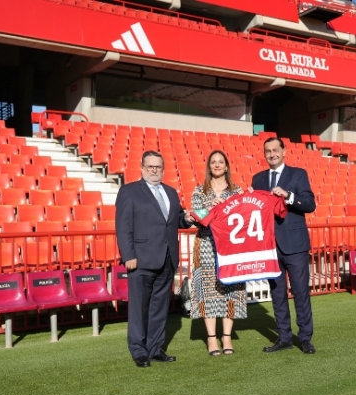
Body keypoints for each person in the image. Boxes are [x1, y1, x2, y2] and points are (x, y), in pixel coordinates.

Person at [115, 150, 194, 368]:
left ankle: (155, 348)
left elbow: (174, 220)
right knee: (139, 308)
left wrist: (185, 219)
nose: (154, 170)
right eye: (150, 166)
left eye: (158, 167)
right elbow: (123, 226)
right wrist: (128, 255)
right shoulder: (129, 192)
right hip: (140, 260)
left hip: (167, 260)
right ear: (141, 168)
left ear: (163, 169)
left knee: (159, 308)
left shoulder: (170, 192)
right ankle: (139, 351)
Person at [251, 137, 317, 354]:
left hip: (295, 245)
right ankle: (284, 337)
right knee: (277, 294)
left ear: (284, 151)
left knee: (300, 292)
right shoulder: (258, 179)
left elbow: (309, 204)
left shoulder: (298, 174)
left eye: (275, 150)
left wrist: (288, 195)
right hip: (270, 246)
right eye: (268, 151)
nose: (272, 154)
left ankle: (305, 338)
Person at [190, 150, 246, 356]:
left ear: (226, 166)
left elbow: (243, 215)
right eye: (213, 162)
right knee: (208, 290)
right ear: (209, 166)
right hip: (205, 245)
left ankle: (227, 337)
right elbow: (195, 215)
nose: (217, 165)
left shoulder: (237, 191)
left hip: (230, 247)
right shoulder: (199, 190)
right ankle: (212, 339)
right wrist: (210, 208)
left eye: (220, 162)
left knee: (230, 289)